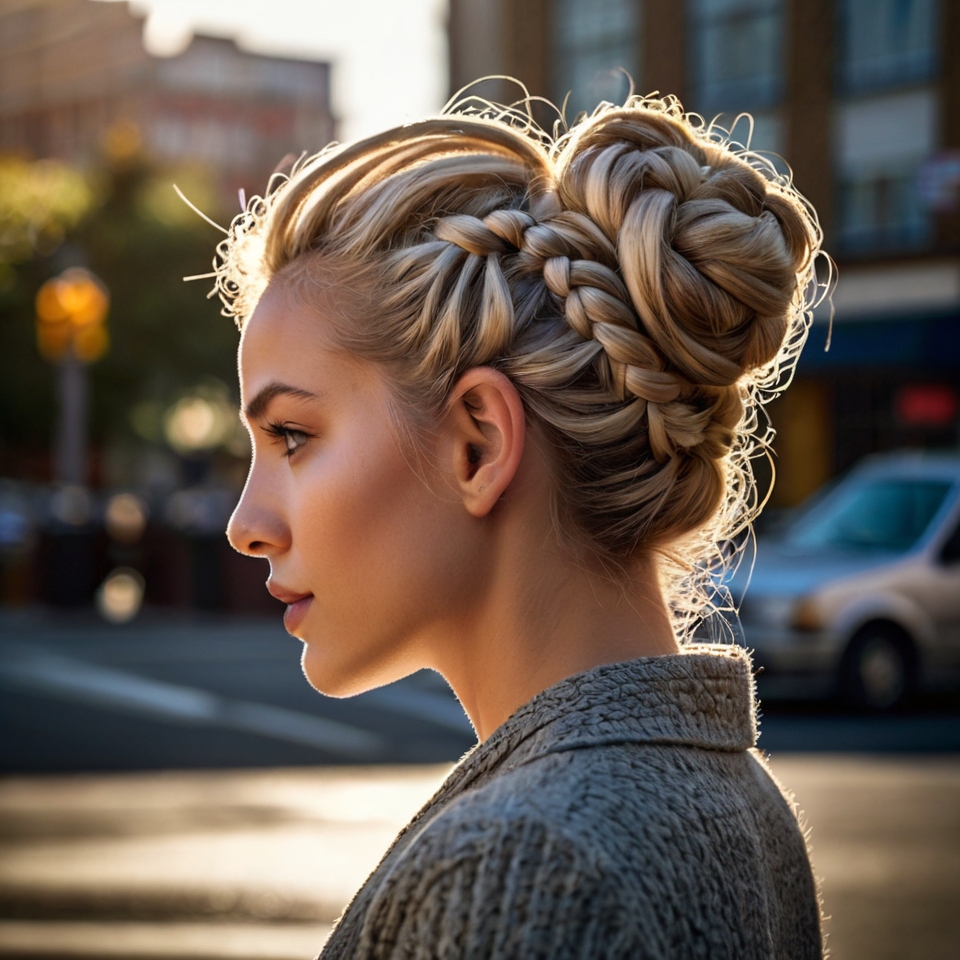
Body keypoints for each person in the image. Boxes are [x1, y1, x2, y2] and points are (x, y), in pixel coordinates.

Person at [220, 92, 825, 958]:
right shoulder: (741, 797)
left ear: (479, 443)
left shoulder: (517, 869)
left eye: (291, 436)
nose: (246, 524)